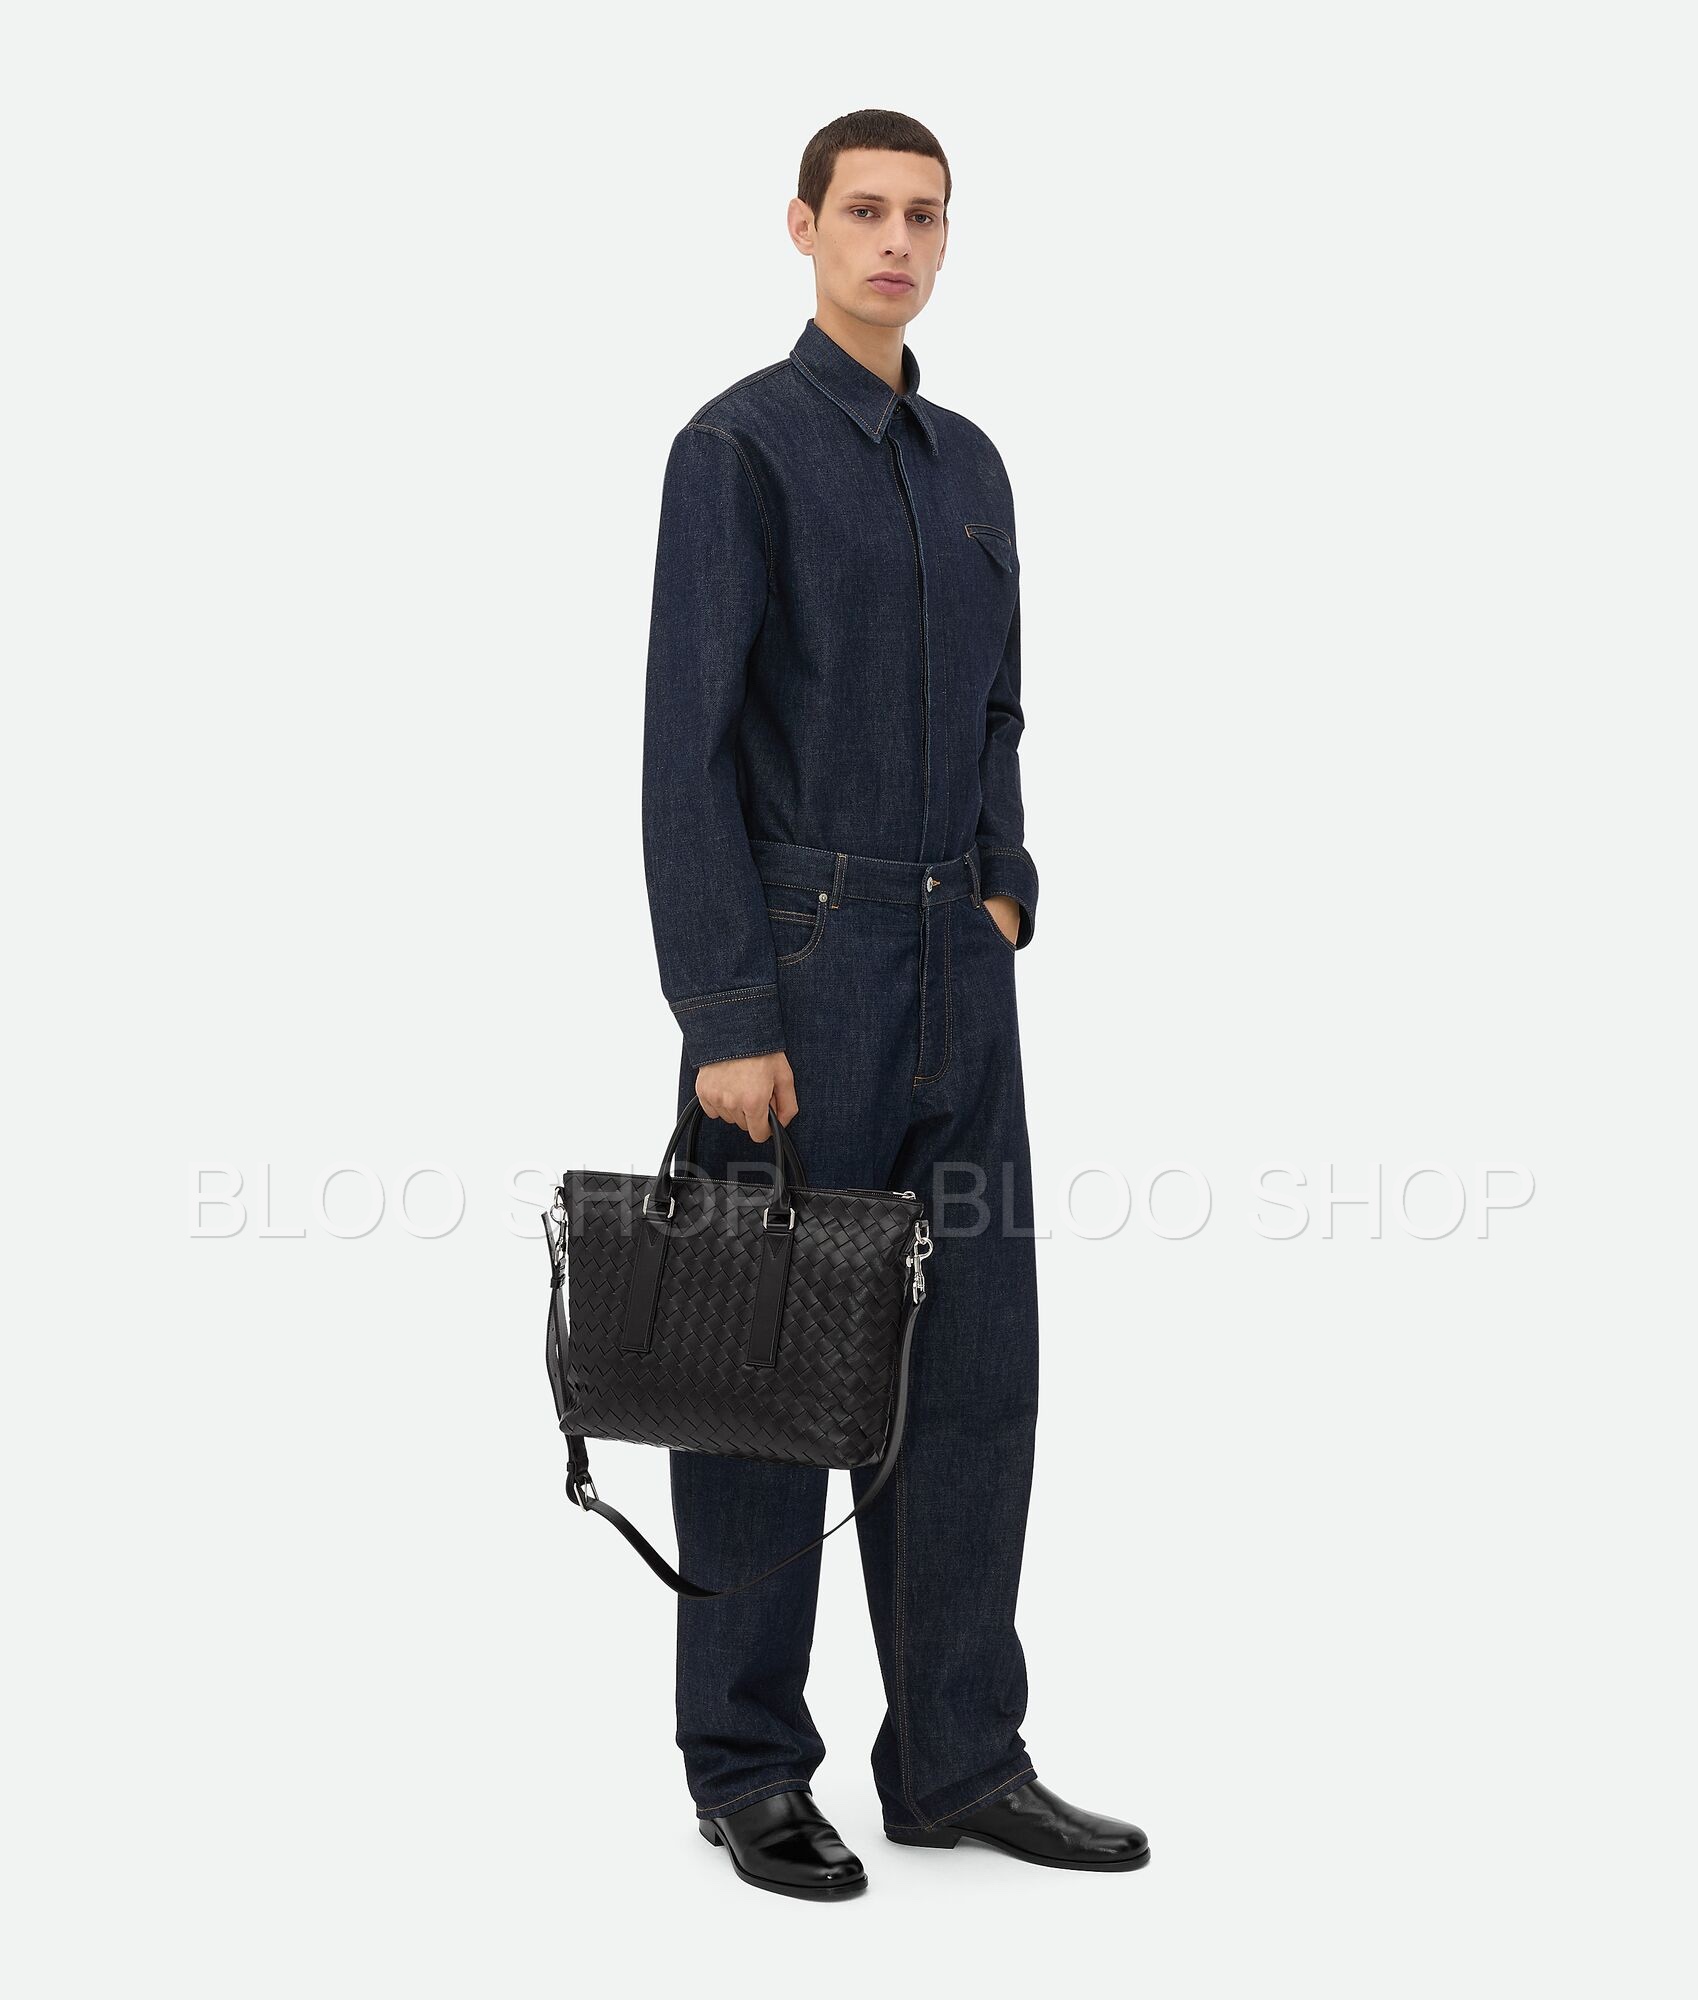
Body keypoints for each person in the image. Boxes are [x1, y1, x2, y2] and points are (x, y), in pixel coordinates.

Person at [640, 108, 1148, 1898]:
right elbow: (685, 750)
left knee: (973, 1372)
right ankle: (746, 1767)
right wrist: (727, 1012)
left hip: (957, 966)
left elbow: (1002, 705)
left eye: (923, 216)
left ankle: (954, 1760)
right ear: (800, 227)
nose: (895, 244)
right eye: (863, 211)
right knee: (763, 1376)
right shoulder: (738, 449)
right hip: (799, 966)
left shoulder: (972, 463)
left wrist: (1006, 887)